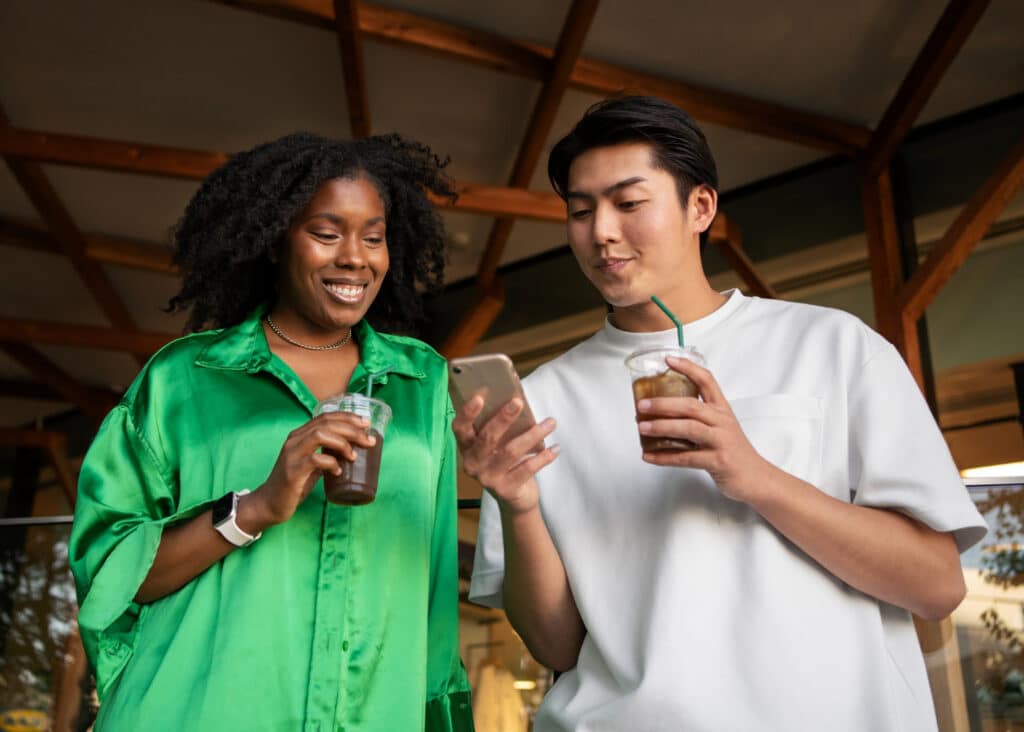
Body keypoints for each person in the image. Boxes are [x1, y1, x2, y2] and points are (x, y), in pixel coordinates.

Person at [462, 96, 988, 731]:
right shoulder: (541, 400)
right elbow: (558, 649)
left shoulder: (834, 348)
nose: (600, 231)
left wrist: (755, 476)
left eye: (629, 204)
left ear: (700, 207)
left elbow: (937, 586)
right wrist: (518, 506)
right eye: (580, 211)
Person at [69, 132, 474, 731]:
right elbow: (110, 576)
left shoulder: (422, 383)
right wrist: (254, 507)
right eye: (326, 233)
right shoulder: (185, 379)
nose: (354, 258)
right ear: (275, 239)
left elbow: (438, 593)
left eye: (373, 236)